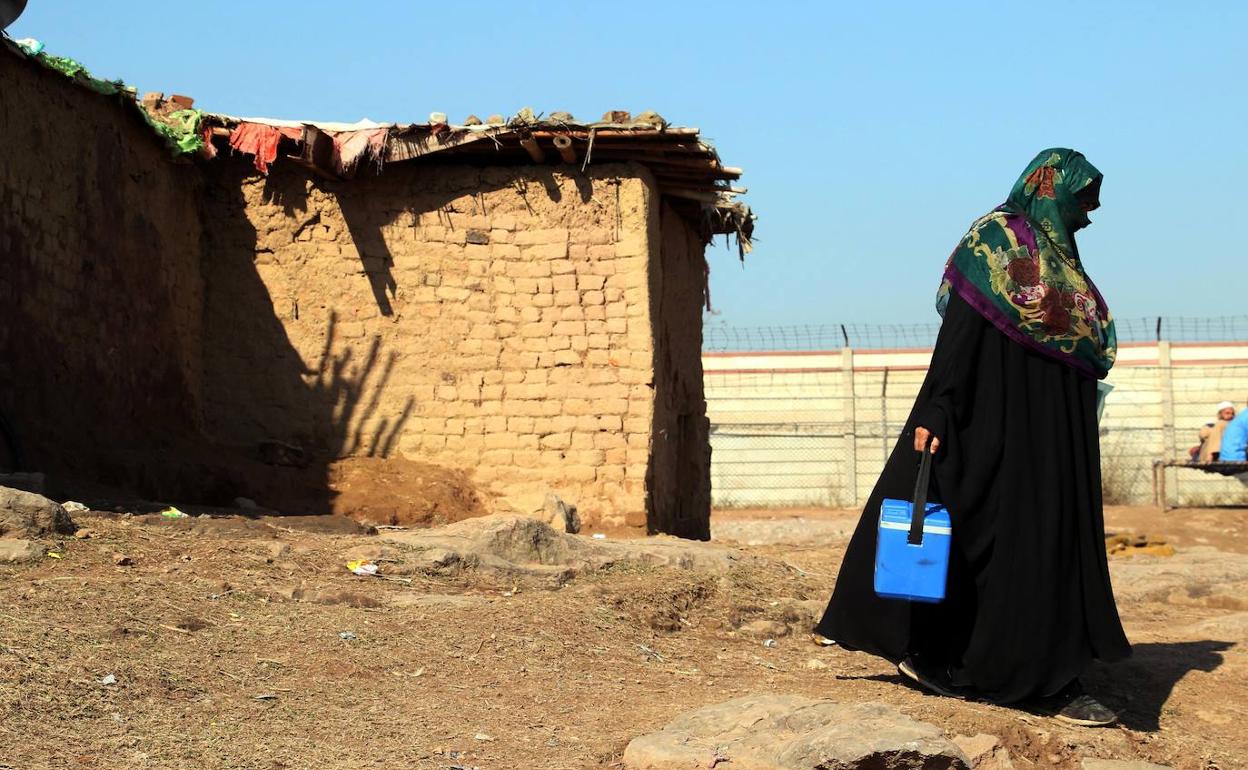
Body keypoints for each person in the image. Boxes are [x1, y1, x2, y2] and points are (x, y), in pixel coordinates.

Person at [814, 149, 1130, 726]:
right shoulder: (997, 242)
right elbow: (961, 330)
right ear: (1049, 189)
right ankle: (942, 655)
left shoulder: (1063, 265)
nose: (1087, 216)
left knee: (1046, 540)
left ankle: (1049, 672)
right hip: (987, 416)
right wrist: (936, 407)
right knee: (965, 527)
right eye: (1082, 200)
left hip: (1052, 434)